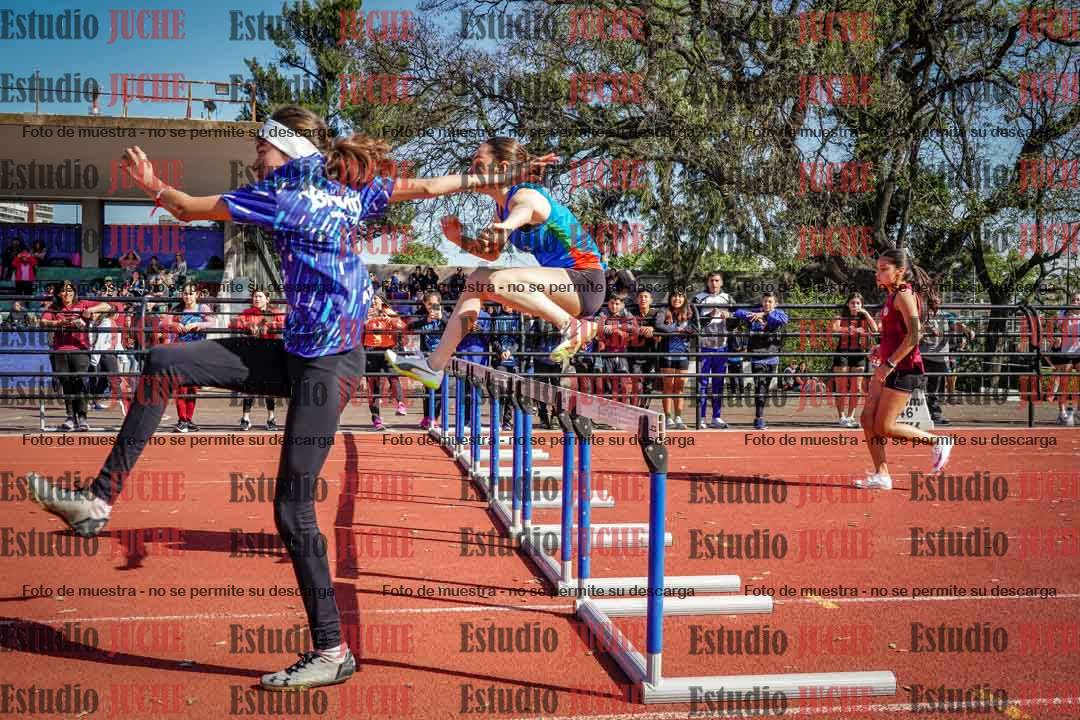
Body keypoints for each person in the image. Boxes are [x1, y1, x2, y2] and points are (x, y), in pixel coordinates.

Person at [25, 103, 553, 690]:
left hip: (330, 366)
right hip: (295, 353)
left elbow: (188, 208)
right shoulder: (347, 189)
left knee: (290, 508)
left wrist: (151, 183)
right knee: (165, 362)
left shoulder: (285, 194)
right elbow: (429, 187)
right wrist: (498, 177)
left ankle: (331, 650)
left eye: (261, 148)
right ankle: (98, 502)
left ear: (286, 148)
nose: (255, 158)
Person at [386, 136, 603, 389]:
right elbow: (491, 255)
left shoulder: (525, 194)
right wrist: (459, 239)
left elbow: (526, 209)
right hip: (565, 287)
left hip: (585, 282)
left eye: (478, 162)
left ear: (501, 168)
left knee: (495, 281)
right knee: (478, 280)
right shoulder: (501, 208)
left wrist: (507, 226)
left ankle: (571, 326)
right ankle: (434, 366)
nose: (470, 170)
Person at [856, 249, 953, 489]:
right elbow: (896, 334)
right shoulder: (892, 295)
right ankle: (882, 475)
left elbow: (915, 334)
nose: (877, 274)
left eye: (883, 269)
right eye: (877, 269)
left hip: (904, 368)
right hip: (889, 366)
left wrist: (889, 363)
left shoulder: (904, 294)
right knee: (867, 419)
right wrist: (880, 349)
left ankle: (937, 442)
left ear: (899, 271)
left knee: (884, 427)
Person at [37, 281, 112, 431]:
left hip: (80, 349)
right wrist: (60, 323)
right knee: (66, 383)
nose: (67, 294)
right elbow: (42, 322)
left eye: (70, 290)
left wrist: (90, 310)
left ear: (74, 292)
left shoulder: (83, 303)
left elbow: (107, 306)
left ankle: (82, 417)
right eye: (64, 291)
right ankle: (70, 417)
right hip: (60, 349)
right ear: (58, 293)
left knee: (81, 381)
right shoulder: (54, 307)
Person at [230, 288, 284, 430]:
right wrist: (248, 325)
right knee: (249, 386)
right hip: (252, 354)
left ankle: (271, 418)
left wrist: (268, 325)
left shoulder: (275, 312)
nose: (257, 299)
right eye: (255, 296)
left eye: (260, 296)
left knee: (269, 387)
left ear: (267, 299)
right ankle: (246, 418)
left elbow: (285, 324)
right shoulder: (247, 313)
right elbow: (232, 323)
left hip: (269, 353)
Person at [734, 292, 790, 430]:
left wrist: (764, 315)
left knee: (765, 388)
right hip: (757, 357)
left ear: (775, 304)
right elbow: (738, 312)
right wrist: (756, 315)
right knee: (760, 387)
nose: (767, 304)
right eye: (765, 301)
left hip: (772, 357)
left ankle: (760, 415)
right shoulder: (755, 312)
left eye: (770, 302)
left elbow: (782, 320)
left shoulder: (779, 313)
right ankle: (759, 418)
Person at [167, 283, 215, 433]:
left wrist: (198, 324)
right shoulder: (177, 309)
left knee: (192, 387)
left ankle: (188, 419)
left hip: (197, 351)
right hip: (179, 351)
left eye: (191, 293)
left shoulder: (203, 308)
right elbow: (163, 322)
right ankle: (182, 420)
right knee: (181, 387)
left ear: (197, 294)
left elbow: (213, 323)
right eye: (185, 293)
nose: (188, 296)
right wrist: (174, 325)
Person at [829, 292, 877, 428]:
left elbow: (875, 329)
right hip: (842, 352)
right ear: (848, 304)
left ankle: (851, 416)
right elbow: (835, 329)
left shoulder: (864, 317)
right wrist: (851, 329)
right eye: (852, 303)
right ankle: (842, 417)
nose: (855, 305)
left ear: (862, 305)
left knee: (857, 387)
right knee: (841, 386)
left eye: (858, 303)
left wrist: (866, 313)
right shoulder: (841, 315)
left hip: (859, 353)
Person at [693, 271, 734, 428]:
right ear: (707, 282)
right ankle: (701, 417)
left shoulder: (728, 298)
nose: (714, 283)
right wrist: (709, 315)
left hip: (721, 347)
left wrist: (729, 316)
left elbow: (737, 321)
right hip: (703, 347)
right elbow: (692, 321)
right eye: (711, 280)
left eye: (717, 280)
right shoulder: (698, 298)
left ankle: (716, 417)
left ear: (721, 282)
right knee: (702, 383)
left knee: (719, 383)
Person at [363, 294, 405, 431]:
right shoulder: (364, 311)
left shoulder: (388, 311)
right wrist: (364, 320)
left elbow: (402, 326)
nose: (373, 301)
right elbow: (355, 330)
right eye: (371, 298)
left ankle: (400, 404)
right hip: (371, 351)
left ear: (382, 300)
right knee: (373, 385)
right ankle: (376, 419)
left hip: (387, 349)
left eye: (376, 298)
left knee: (393, 376)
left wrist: (390, 319)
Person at [655, 289, 695, 429]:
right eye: (674, 296)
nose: (677, 299)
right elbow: (658, 325)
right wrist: (676, 330)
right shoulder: (663, 310)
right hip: (667, 353)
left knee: (679, 387)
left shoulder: (689, 311)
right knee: (668, 386)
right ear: (670, 298)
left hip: (683, 354)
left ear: (684, 299)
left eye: (680, 296)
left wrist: (689, 330)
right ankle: (668, 418)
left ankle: (678, 417)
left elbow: (696, 328)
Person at [408, 290, 447, 430]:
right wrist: (426, 320)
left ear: (440, 303)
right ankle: (427, 417)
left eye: (435, 304)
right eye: (429, 304)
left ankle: (435, 417)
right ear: (424, 304)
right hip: (426, 356)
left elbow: (453, 326)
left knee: (439, 388)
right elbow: (410, 325)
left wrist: (442, 318)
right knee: (427, 386)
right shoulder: (421, 315)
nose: (432, 307)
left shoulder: (445, 314)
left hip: (442, 355)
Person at [918, 307, 952, 427]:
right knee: (919, 385)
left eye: (937, 300)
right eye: (931, 302)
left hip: (940, 357)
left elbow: (957, 324)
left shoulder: (947, 315)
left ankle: (935, 414)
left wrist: (965, 329)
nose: (934, 302)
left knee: (935, 388)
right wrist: (926, 328)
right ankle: (918, 413)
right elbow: (914, 328)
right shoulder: (921, 314)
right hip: (924, 355)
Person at [596, 293, 633, 404]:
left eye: (617, 304)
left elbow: (633, 326)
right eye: (612, 303)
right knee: (608, 383)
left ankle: (622, 406)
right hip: (607, 354)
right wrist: (605, 328)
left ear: (622, 305)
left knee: (623, 383)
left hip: (622, 353)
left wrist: (615, 327)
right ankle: (610, 408)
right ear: (608, 304)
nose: (614, 306)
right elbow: (597, 325)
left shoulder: (626, 313)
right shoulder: (603, 313)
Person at [1050, 291, 1080, 425]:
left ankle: (1078, 412)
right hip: (1066, 351)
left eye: (1078, 300)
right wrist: (1068, 317)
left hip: (1079, 351)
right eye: (1073, 300)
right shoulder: (1063, 312)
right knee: (1064, 383)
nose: (1075, 302)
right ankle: (1062, 412)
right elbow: (1059, 328)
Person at [628, 289, 659, 408]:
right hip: (634, 354)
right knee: (636, 384)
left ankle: (644, 409)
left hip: (651, 354)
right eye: (640, 297)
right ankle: (634, 410)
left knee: (649, 385)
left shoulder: (656, 314)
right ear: (637, 300)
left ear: (651, 300)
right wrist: (638, 330)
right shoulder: (631, 314)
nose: (643, 299)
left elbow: (662, 326)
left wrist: (653, 329)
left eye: (646, 297)